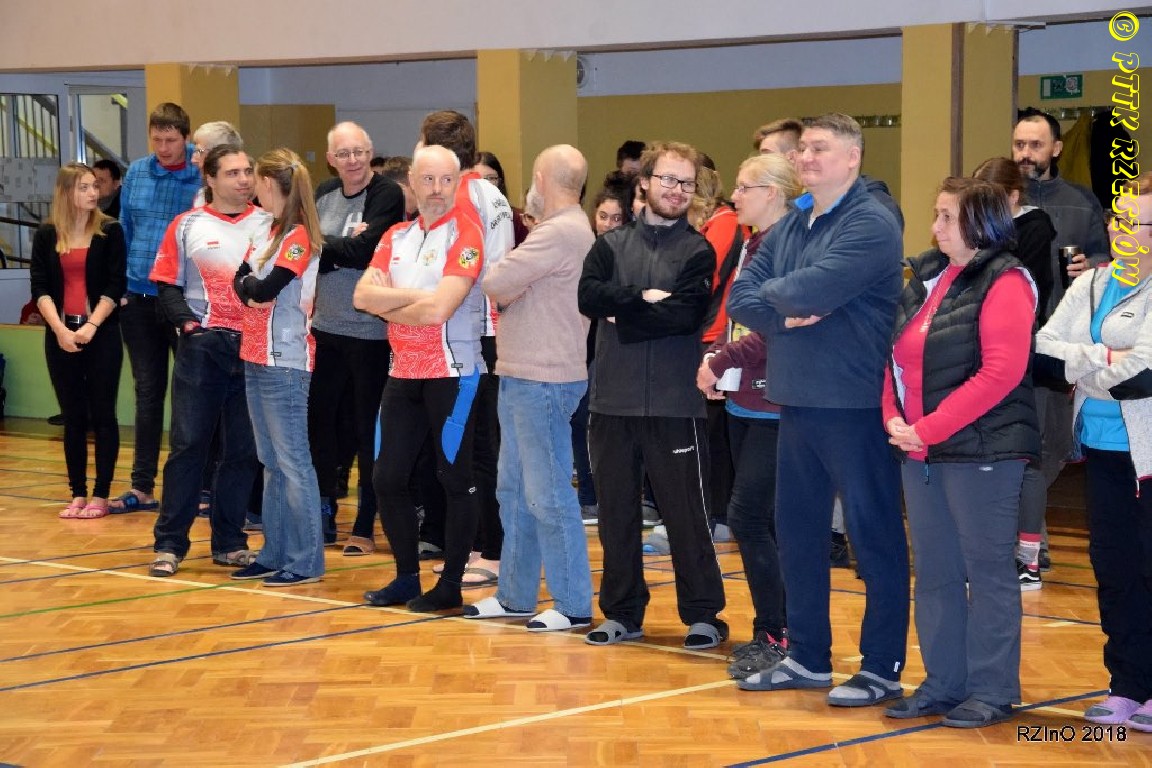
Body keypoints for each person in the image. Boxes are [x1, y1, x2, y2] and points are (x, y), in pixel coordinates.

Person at [727, 114, 909, 704]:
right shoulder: (793, 222)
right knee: (798, 534)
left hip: (853, 403)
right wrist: (785, 315)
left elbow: (813, 288)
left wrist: (784, 296)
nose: (806, 157)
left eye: (820, 148)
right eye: (802, 148)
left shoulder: (871, 221)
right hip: (797, 400)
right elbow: (741, 296)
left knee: (872, 537)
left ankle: (881, 666)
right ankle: (807, 657)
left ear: (853, 157)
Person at [882, 177, 1039, 728]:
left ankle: (992, 690)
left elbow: (1001, 372)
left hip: (983, 452)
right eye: (937, 214)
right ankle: (943, 683)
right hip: (922, 451)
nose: (935, 227)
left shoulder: (1007, 279)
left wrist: (927, 428)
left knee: (987, 572)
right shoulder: (927, 277)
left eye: (947, 217)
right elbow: (894, 360)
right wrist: (894, 418)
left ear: (980, 222)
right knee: (936, 572)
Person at [577, 140, 728, 650]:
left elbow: (684, 316)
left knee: (686, 516)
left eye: (686, 182)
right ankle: (622, 613)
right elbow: (588, 296)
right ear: (644, 183)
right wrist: (641, 298)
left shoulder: (698, 251)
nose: (677, 190)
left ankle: (704, 615)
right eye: (668, 179)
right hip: (611, 404)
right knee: (616, 516)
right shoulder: (610, 246)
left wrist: (622, 316)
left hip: (674, 405)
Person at [1035, 171, 1152, 733]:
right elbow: (1043, 352)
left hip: (1147, 458)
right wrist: (1105, 357)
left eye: (1135, 223)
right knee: (1115, 569)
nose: (1120, 231)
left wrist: (1082, 364)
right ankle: (1127, 685)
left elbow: (1143, 373)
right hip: (1103, 453)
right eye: (1116, 221)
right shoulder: (1089, 285)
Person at [464, 144, 595, 631]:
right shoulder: (561, 230)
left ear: (541, 179)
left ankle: (573, 603)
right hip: (524, 373)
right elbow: (509, 286)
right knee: (515, 490)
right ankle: (515, 596)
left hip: (544, 377)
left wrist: (511, 285)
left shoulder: (559, 232)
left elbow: (497, 282)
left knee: (547, 493)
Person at [354, 144, 487, 612]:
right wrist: (418, 299)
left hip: (452, 373)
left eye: (446, 180)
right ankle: (406, 577)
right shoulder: (395, 235)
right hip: (402, 373)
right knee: (387, 477)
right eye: (427, 179)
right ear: (411, 182)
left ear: (458, 183)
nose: (436, 189)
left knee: (454, 477)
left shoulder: (467, 234)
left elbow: (439, 310)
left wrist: (392, 301)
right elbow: (362, 297)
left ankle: (450, 585)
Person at [698, 153, 801, 679]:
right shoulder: (754, 243)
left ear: (773, 193)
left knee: (751, 517)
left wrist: (722, 361)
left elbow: (777, 326)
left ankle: (777, 632)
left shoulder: (787, 248)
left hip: (773, 404)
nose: (734, 196)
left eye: (744, 188)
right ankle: (779, 629)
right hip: (745, 399)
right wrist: (720, 357)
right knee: (761, 520)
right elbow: (738, 318)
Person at [146, 145, 269, 577]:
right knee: (189, 446)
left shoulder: (270, 224)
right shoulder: (187, 225)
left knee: (242, 451)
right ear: (211, 179)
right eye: (233, 172)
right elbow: (166, 284)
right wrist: (188, 326)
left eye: (248, 171)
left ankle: (230, 542)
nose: (244, 179)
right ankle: (169, 544)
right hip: (203, 348)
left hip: (255, 349)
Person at [1012, 108, 1112, 574]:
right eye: (1019, 144)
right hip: (1017, 338)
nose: (1025, 154)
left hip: (1065, 339)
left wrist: (1092, 264)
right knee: (1028, 441)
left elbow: (1106, 254)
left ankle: (1027, 528)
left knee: (1057, 441)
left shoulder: (1080, 200)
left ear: (1055, 149)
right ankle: (1031, 537)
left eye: (1035, 145)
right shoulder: (1000, 200)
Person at [419, 110, 515, 589]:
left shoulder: (464, 197)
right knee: (474, 444)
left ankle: (494, 551)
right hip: (483, 328)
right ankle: (478, 544)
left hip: (477, 330)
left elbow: (460, 270)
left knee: (480, 446)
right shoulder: (488, 192)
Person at [229, 148, 325, 588]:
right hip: (255, 355)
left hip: (285, 361)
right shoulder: (266, 231)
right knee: (270, 461)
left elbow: (265, 287)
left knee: (292, 462)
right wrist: (250, 288)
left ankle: (305, 560)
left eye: (257, 181)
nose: (252, 188)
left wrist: (252, 288)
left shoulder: (299, 236)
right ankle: (274, 552)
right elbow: (240, 280)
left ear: (270, 184)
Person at [311, 122, 405, 553]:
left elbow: (368, 251)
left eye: (359, 152)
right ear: (331, 158)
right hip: (325, 330)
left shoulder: (386, 194)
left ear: (370, 153)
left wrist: (328, 248)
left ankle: (365, 524)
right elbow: (307, 248)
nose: (352, 161)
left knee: (368, 430)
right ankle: (325, 510)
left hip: (370, 334)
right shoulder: (323, 193)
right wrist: (341, 248)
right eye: (343, 154)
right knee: (323, 426)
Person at [972, 156, 1058, 591]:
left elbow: (1029, 292)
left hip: (1023, 354)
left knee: (1026, 456)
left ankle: (1028, 555)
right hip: (984, 355)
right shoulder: (982, 238)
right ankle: (994, 551)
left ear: (1012, 197)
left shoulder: (1033, 231)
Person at [111, 102, 202, 513]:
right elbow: (125, 230)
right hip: (138, 297)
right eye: (157, 139)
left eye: (171, 140)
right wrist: (121, 287)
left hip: (183, 299)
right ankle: (142, 485)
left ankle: (195, 488)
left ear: (186, 138)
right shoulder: (136, 172)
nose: (163, 148)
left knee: (191, 395)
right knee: (147, 392)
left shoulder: (202, 173)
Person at [30, 163, 126, 519]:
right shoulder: (47, 234)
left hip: (100, 333)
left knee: (103, 413)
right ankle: (78, 493)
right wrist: (60, 330)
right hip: (61, 332)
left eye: (95, 186)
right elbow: (40, 287)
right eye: (84, 187)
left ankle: (101, 494)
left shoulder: (110, 230)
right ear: (66, 192)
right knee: (73, 416)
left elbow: (116, 284)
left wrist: (92, 326)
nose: (93, 193)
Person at [474, 151, 529, 245]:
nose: (485, 184)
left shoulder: (517, 221)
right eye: (478, 179)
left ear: (500, 181)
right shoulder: (458, 219)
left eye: (491, 178)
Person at [190, 121, 243, 207]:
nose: (193, 160)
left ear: (218, 155)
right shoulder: (202, 195)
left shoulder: (242, 195)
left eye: (199, 151)